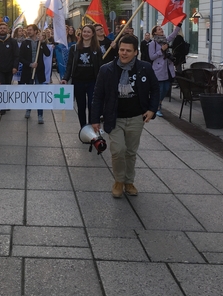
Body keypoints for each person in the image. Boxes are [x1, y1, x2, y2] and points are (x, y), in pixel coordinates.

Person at [90, 34, 160, 198]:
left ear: (136, 52)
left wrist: (152, 109)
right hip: (114, 118)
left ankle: (129, 182)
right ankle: (118, 181)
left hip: (137, 117)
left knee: (130, 152)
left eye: (128, 50)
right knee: (118, 151)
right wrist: (94, 119)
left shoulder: (145, 68)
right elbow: (98, 95)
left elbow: (155, 89)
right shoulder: (107, 69)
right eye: (121, 49)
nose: (124, 53)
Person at [60, 24, 102, 127]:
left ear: (92, 34)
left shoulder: (97, 49)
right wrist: (65, 78)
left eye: (88, 32)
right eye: (84, 31)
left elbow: (100, 66)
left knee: (92, 106)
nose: (86, 34)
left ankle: (92, 127)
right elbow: (69, 65)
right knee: (81, 106)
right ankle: (83, 128)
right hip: (78, 81)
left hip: (92, 82)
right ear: (81, 33)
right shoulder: (74, 48)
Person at [19, 24, 51, 124]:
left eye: (30, 30)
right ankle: (28, 109)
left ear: (36, 31)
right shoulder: (25, 43)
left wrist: (43, 42)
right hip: (28, 72)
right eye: (27, 30)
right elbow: (21, 57)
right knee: (29, 92)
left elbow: (48, 54)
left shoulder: (40, 42)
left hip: (39, 72)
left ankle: (40, 114)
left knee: (39, 93)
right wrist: (29, 64)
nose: (28, 31)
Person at [148, 23, 182, 117]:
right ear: (155, 33)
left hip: (168, 68)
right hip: (159, 69)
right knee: (160, 89)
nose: (161, 30)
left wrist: (179, 24)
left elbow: (174, 34)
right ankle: (158, 107)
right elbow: (151, 57)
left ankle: (159, 102)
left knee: (166, 88)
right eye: (159, 29)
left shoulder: (165, 40)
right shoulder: (152, 43)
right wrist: (161, 51)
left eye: (161, 29)